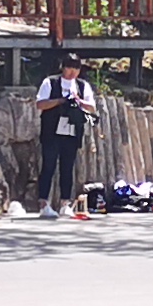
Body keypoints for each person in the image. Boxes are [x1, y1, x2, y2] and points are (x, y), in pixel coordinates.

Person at [37, 55, 97, 217]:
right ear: (63, 67)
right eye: (69, 68)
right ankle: (43, 203)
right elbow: (40, 104)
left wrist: (78, 101)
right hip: (51, 131)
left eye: (76, 69)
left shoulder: (82, 86)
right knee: (48, 166)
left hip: (72, 131)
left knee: (67, 168)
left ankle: (66, 203)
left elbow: (91, 107)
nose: (73, 72)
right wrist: (61, 101)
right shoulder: (50, 82)